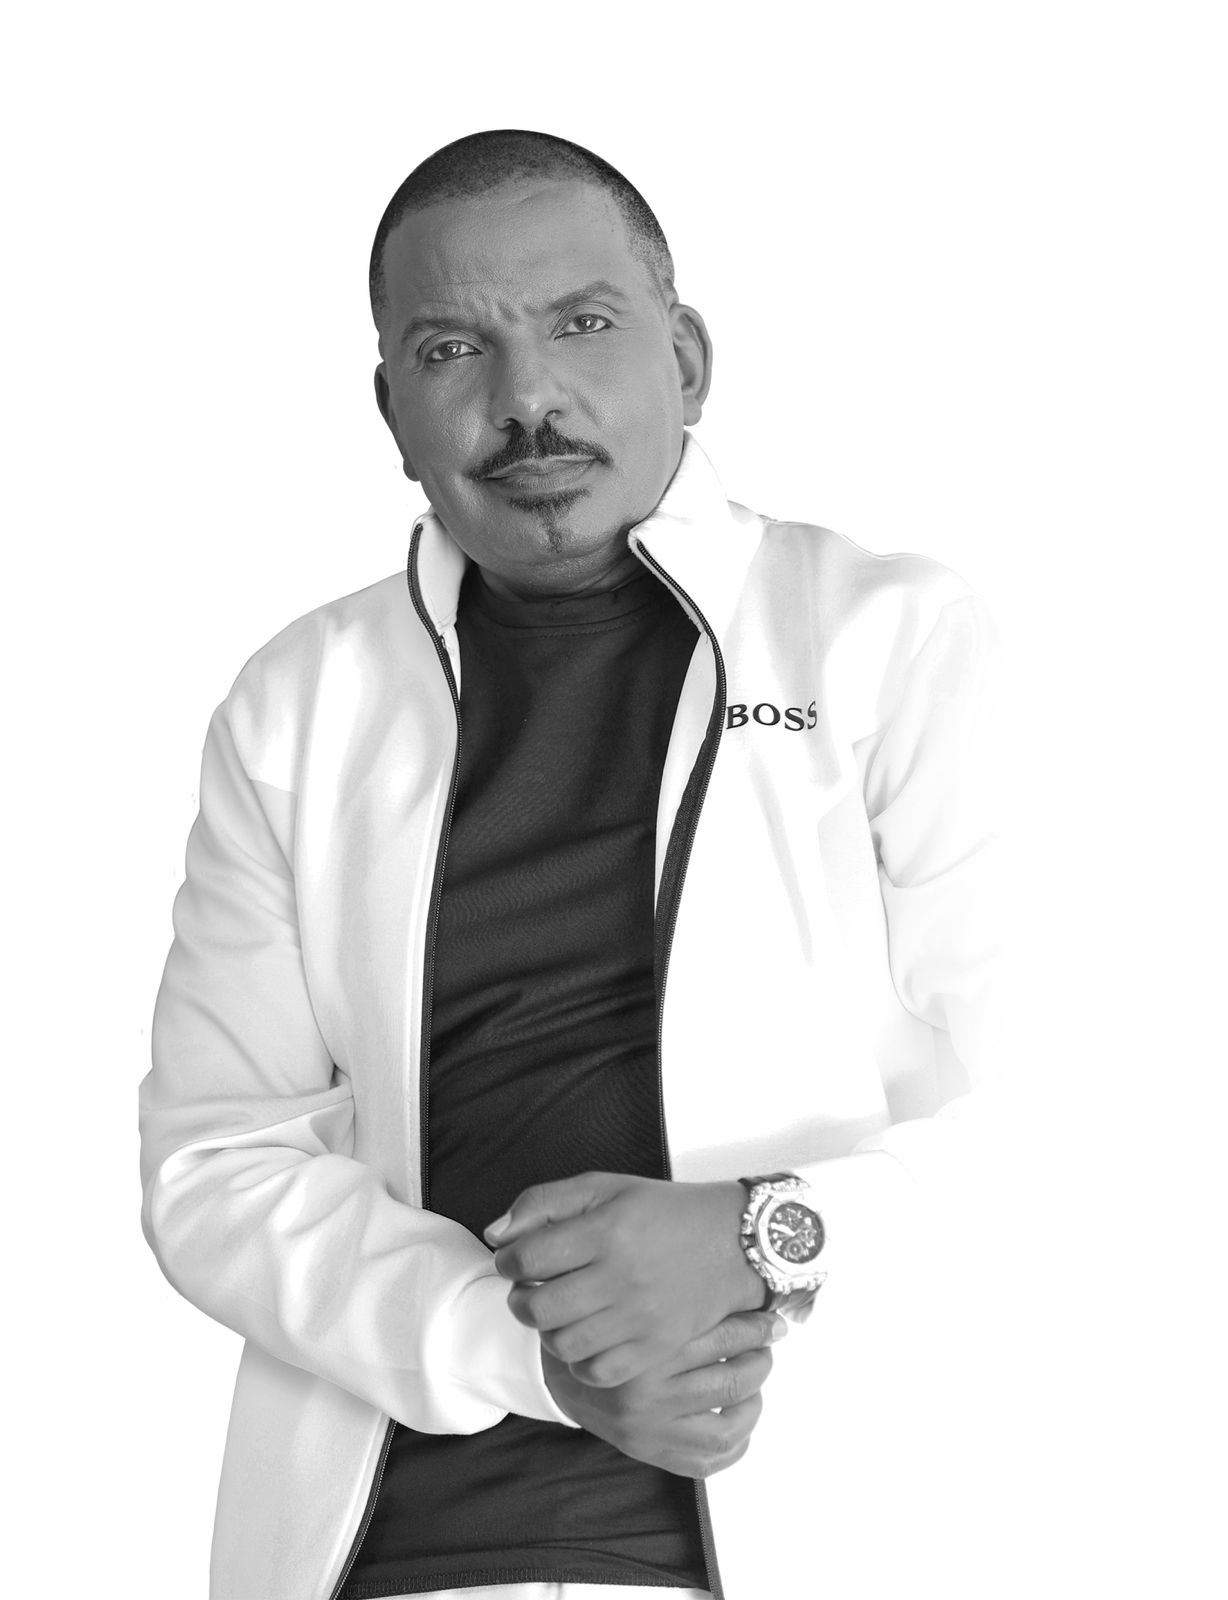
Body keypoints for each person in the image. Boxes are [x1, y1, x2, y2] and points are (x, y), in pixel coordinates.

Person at [140, 129, 1003, 1600]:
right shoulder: (300, 703)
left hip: (791, 1527)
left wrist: (763, 1235)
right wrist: (525, 1353)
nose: (526, 397)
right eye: (450, 349)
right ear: (391, 409)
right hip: (384, 1549)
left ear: (689, 360)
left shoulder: (889, 641)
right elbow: (216, 1160)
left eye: (583, 324)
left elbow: (1087, 1100)